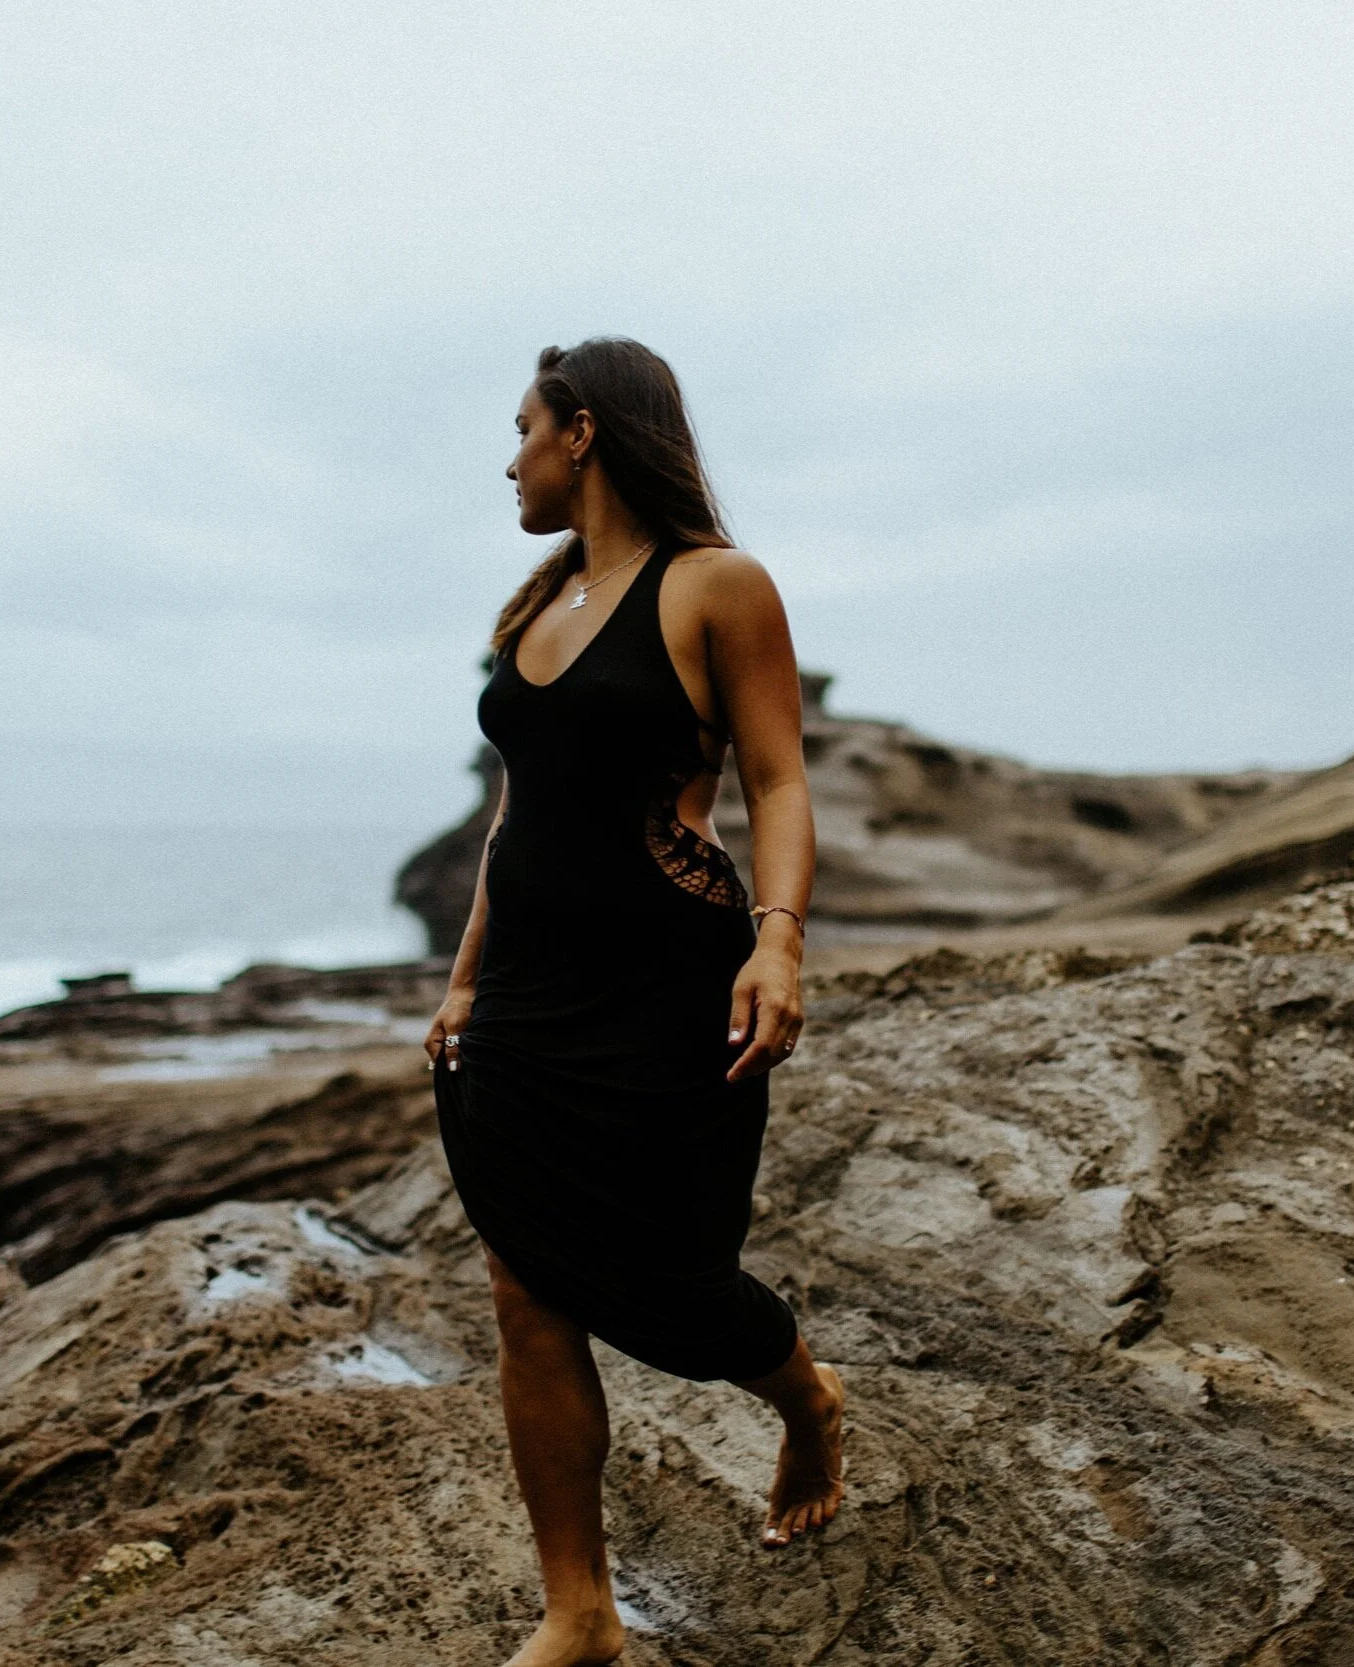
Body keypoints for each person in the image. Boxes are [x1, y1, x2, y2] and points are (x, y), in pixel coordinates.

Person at [422, 338, 844, 1667]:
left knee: (674, 1282)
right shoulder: (531, 608)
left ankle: (807, 1396)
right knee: (526, 1281)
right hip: (527, 1000)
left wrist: (775, 944)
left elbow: (775, 781)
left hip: (668, 977)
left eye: (524, 428)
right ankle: (579, 1609)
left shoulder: (716, 587)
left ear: (585, 432)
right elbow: (514, 816)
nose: (510, 458)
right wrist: (467, 974)